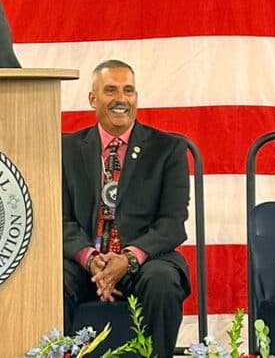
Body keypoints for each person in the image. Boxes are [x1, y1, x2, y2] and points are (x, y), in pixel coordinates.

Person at [61, 59, 190, 357]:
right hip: (85, 263)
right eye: (111, 90)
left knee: (163, 282)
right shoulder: (66, 149)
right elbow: (60, 219)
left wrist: (128, 259)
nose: (121, 99)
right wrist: (91, 259)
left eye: (128, 91)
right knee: (52, 281)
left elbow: (173, 222)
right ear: (93, 98)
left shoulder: (167, 148)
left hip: (145, 258)